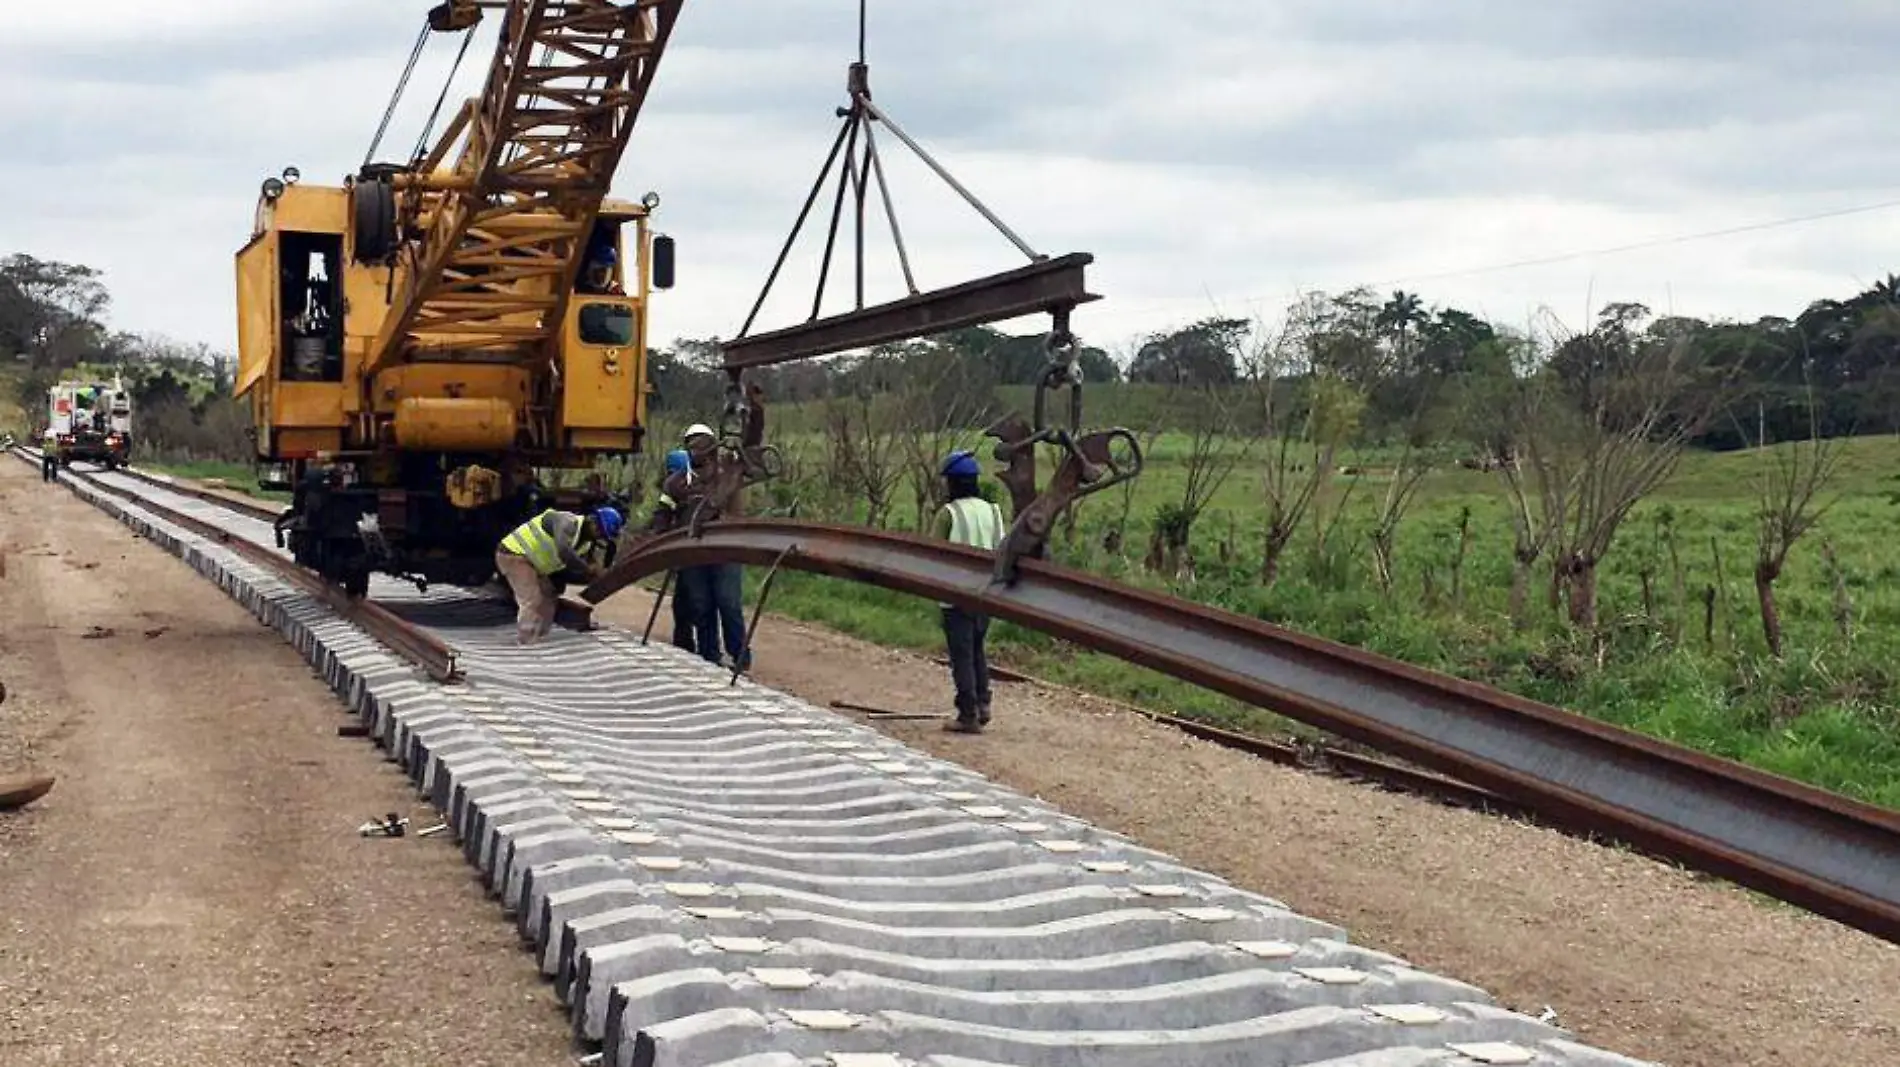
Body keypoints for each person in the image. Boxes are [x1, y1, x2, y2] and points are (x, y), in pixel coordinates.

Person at [934, 450, 1006, 733]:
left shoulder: (948, 513)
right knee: (977, 648)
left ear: (952, 482)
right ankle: (983, 703)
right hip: (986, 595)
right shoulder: (994, 511)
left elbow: (932, 552)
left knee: (961, 654)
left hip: (955, 595)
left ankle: (967, 714)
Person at [495, 505, 623, 646]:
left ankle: (539, 636)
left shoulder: (585, 543)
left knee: (549, 596)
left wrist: (596, 574)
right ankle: (526, 641)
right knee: (532, 599)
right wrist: (588, 570)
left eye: (602, 535)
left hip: (534, 563)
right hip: (513, 555)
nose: (598, 535)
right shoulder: (566, 522)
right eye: (598, 531)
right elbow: (564, 551)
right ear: (592, 520)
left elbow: (580, 563)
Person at [679, 423, 750, 670]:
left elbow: (737, 514)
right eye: (691, 445)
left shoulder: (727, 478)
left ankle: (739, 656)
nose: (695, 450)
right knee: (701, 604)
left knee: (728, 601)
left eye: (700, 445)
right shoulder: (679, 482)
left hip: (726, 549)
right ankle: (709, 656)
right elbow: (666, 515)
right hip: (693, 552)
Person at [647, 449, 711, 654]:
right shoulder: (673, 487)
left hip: (691, 548)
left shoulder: (694, 485)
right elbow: (662, 515)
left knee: (694, 600)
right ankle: (685, 642)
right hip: (681, 549)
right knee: (685, 599)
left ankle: (698, 644)